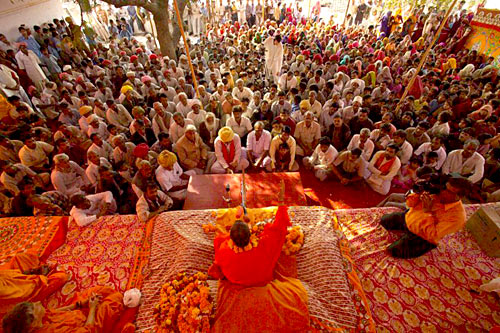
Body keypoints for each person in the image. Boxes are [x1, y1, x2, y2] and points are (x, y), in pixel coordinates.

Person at [209, 200, 310, 332]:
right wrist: (280, 205)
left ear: (231, 240)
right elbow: (279, 229)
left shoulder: (224, 250)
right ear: (250, 235)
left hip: (236, 280)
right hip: (261, 280)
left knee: (219, 239)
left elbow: (218, 259)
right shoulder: (263, 246)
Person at [380, 175, 470, 258]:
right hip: (409, 218)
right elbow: (410, 204)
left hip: (423, 237)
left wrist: (428, 211)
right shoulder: (436, 193)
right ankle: (405, 231)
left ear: (459, 196)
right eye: (444, 187)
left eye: (448, 191)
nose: (442, 191)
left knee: (392, 251)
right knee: (383, 221)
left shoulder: (458, 218)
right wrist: (418, 192)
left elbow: (432, 235)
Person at [2, 286, 127, 333]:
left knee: (100, 291)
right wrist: (93, 308)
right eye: (35, 307)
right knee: (115, 299)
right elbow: (88, 330)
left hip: (82, 316)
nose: (39, 302)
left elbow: (60, 311)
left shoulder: (40, 318)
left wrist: (81, 304)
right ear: (33, 323)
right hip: (91, 327)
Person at [0, 252, 69, 319]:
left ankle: (40, 269)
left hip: (21, 281)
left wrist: (33, 271)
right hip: (26, 296)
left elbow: (12, 275)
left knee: (19, 257)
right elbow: (25, 292)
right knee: (61, 277)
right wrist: (41, 276)